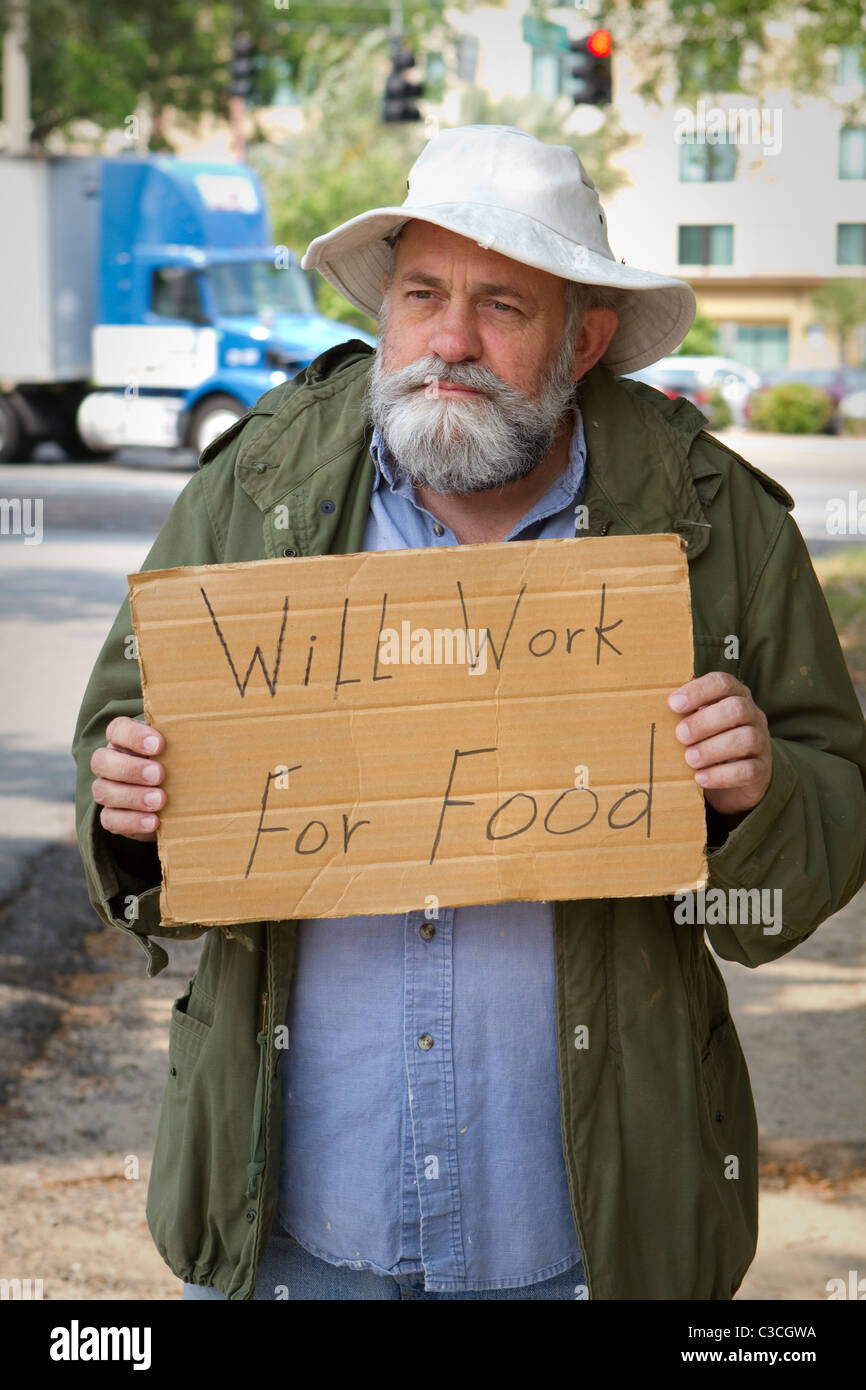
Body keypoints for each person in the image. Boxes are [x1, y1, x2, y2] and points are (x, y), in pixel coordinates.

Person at [71, 125, 866, 1301]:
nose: (449, 340)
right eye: (422, 293)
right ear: (384, 309)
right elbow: (122, 735)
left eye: (502, 304)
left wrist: (762, 791)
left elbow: (829, 811)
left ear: (584, 338)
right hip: (293, 1224)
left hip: (584, 1232)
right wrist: (128, 803)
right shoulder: (257, 486)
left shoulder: (715, 519)